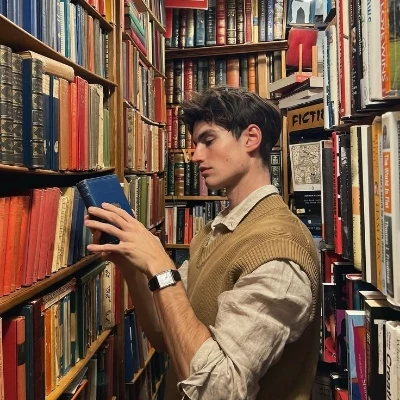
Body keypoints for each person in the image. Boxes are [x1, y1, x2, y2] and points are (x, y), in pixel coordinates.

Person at [85, 86, 321, 400]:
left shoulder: (279, 250)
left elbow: (216, 390)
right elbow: (167, 335)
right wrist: (130, 266)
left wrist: (160, 265)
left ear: (251, 138)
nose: (195, 156)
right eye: (195, 145)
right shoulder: (217, 229)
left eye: (208, 141)